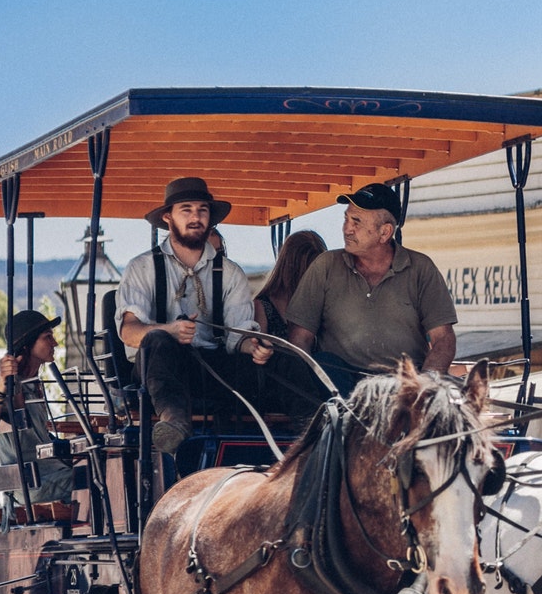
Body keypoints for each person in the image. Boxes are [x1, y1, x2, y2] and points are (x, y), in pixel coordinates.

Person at [116, 178, 272, 453]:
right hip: (158, 371)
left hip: (210, 368)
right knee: (158, 341)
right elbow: (129, 332)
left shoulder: (231, 273)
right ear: (168, 217)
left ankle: (308, 434)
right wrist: (169, 331)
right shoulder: (142, 267)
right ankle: (174, 423)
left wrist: (254, 347)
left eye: (202, 210)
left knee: (272, 363)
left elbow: (238, 335)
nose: (195, 217)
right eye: (186, 209)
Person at [286, 183, 458, 393]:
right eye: (346, 219)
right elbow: (299, 338)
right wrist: (312, 382)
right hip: (339, 389)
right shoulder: (325, 266)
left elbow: (443, 339)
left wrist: (425, 385)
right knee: (324, 362)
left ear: (385, 232)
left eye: (356, 221)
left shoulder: (421, 268)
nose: (347, 229)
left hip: (401, 388)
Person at [0, 310, 75, 506]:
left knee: (100, 467)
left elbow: (39, 439)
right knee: (102, 475)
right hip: (31, 485)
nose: (54, 343)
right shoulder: (11, 385)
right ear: (28, 345)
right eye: (48, 337)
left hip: (49, 474)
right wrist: (3, 383)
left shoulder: (33, 385)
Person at [250, 230, 331, 415]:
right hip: (281, 389)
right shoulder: (263, 305)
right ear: (292, 268)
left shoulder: (323, 303)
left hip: (321, 383)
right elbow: (257, 357)